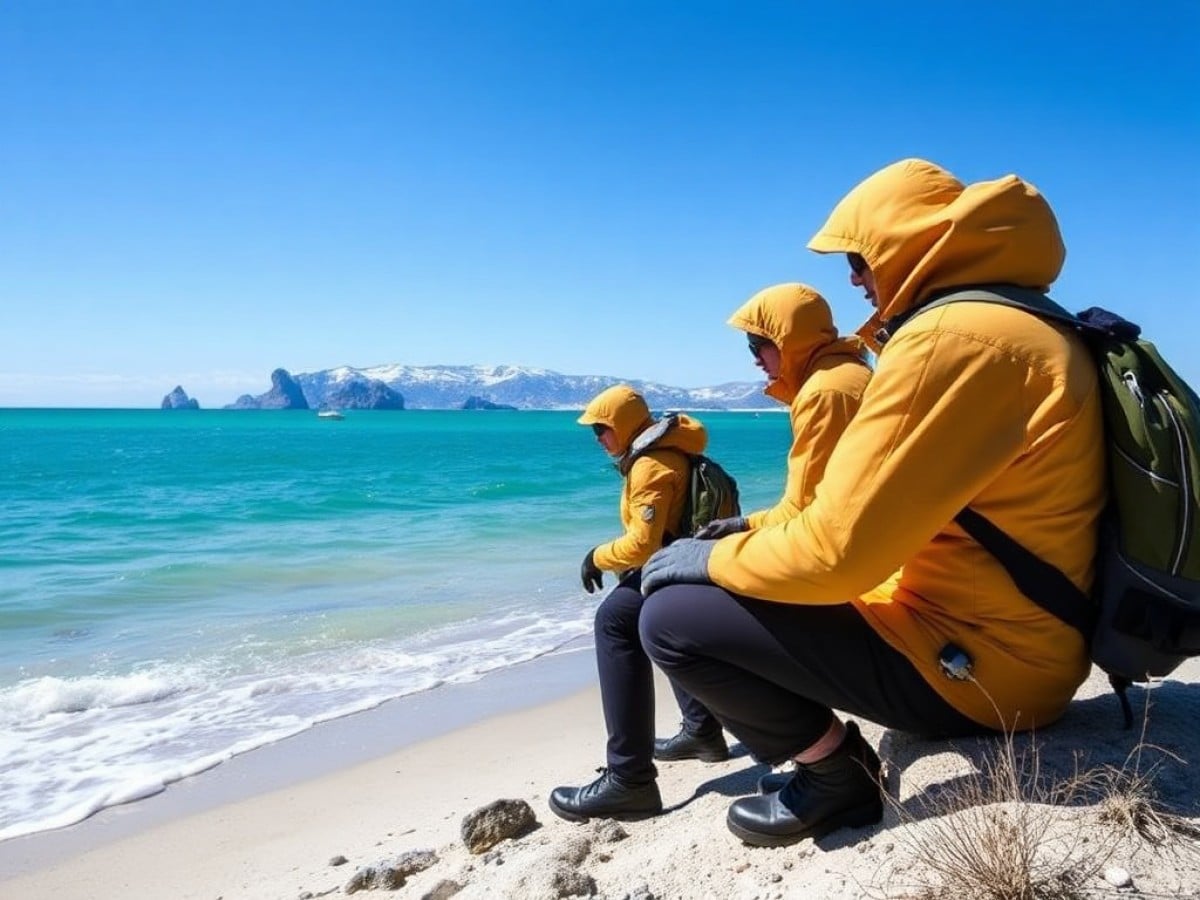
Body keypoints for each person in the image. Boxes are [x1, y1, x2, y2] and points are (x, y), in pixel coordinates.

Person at [637, 158, 1107, 847]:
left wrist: (703, 561)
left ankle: (836, 776)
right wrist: (731, 544)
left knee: (671, 618)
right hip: (1030, 641)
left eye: (859, 259)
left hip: (987, 672)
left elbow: (836, 553)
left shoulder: (953, 340)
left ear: (910, 245)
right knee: (683, 591)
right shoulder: (1018, 319)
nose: (855, 280)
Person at [549, 384, 725, 822]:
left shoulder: (650, 464)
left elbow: (643, 545)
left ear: (624, 426)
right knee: (642, 617)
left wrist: (596, 557)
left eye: (601, 429)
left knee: (614, 621)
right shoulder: (664, 451)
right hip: (694, 563)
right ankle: (701, 730)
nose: (597, 438)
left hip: (681, 568)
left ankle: (629, 780)